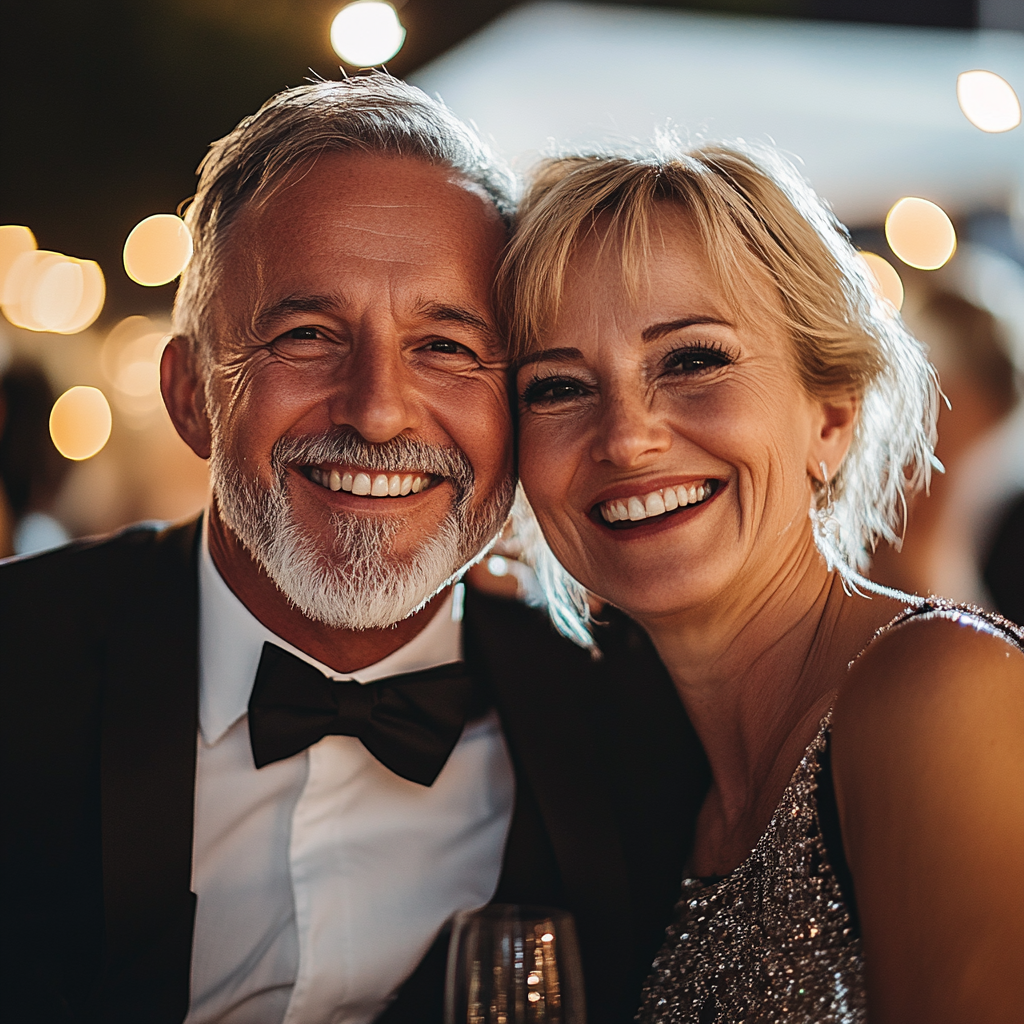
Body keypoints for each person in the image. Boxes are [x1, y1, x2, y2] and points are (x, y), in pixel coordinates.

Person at [0, 78, 709, 1024]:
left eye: (448, 347)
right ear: (190, 397)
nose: (377, 411)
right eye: (306, 335)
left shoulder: (642, 714)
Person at [497, 143, 1024, 1023]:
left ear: (832, 414)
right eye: (556, 385)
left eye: (693, 360)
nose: (626, 438)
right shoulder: (651, 774)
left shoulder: (939, 691)